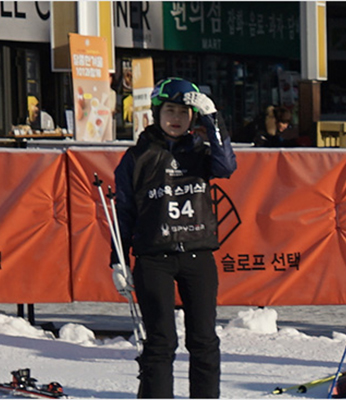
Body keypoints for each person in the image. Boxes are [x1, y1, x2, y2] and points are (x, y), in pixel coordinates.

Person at [112, 77, 237, 398]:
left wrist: (212, 118)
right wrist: (118, 260)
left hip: (198, 254)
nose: (176, 118)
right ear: (157, 113)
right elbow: (123, 212)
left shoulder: (201, 152)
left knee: (204, 340)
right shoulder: (136, 158)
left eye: (184, 112)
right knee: (161, 341)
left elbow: (226, 166)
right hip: (154, 259)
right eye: (170, 110)